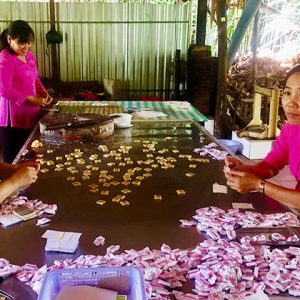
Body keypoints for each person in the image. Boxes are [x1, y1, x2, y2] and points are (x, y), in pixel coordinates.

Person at [224, 64, 300, 209]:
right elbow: (271, 166)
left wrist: (259, 185)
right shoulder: (291, 129)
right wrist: (244, 169)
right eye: (288, 93)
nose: (291, 103)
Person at [0, 20, 52, 163]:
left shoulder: (29, 56)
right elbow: (4, 90)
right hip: (14, 121)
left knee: (32, 155)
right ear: (9, 39)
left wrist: (43, 92)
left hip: (31, 114)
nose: (26, 47)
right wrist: (31, 99)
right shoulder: (5, 59)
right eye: (22, 43)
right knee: (15, 161)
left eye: (29, 43)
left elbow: (34, 78)